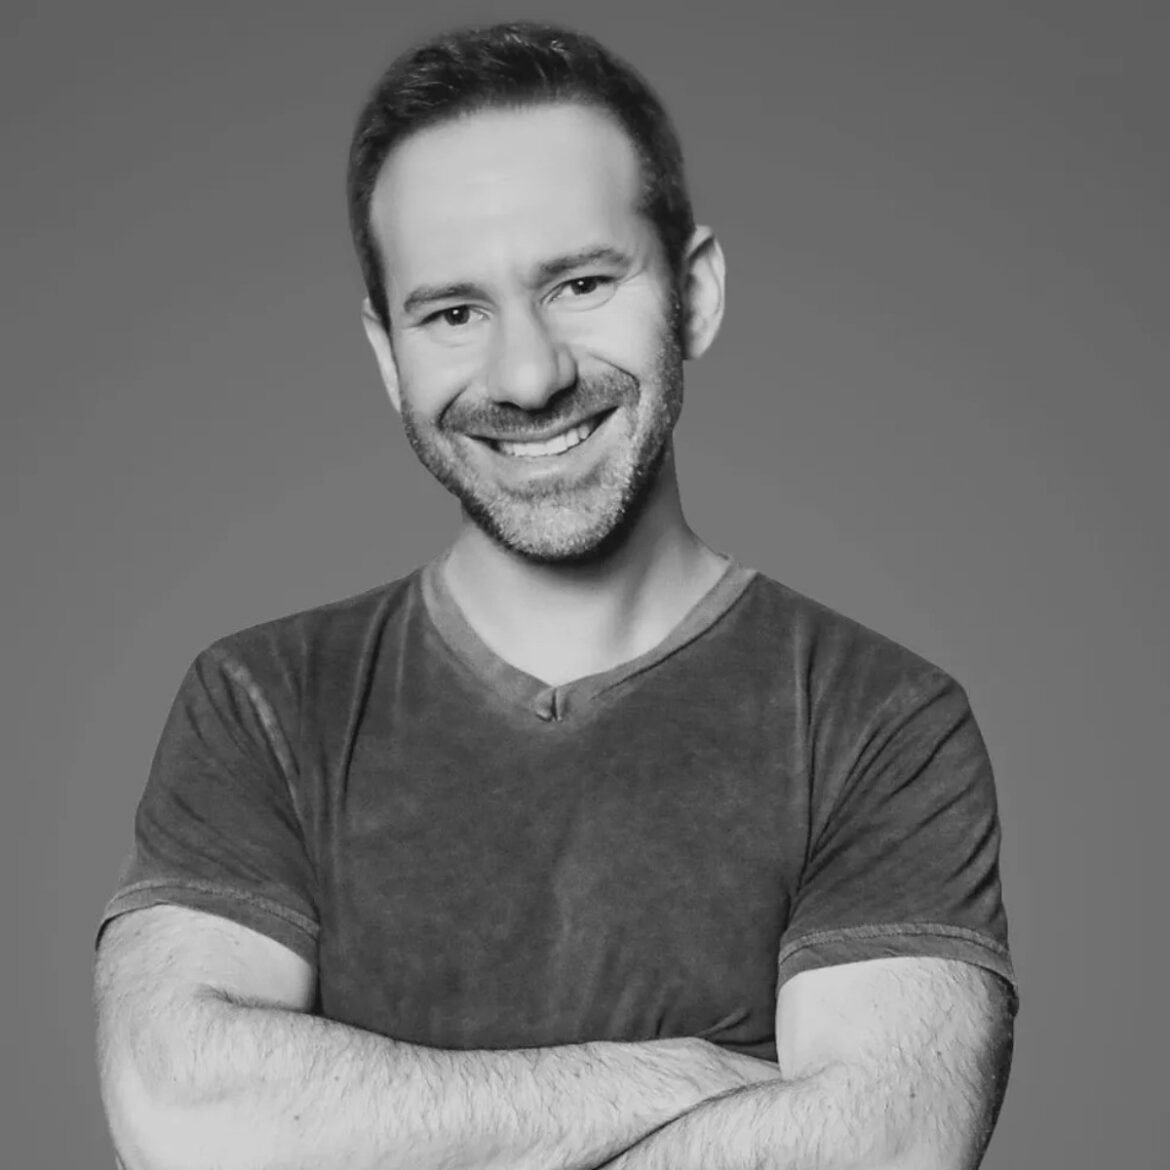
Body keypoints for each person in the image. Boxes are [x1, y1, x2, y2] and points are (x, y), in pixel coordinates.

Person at [93, 20, 1017, 1170]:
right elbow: (182, 1118)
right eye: (452, 312)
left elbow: (887, 1147)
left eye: (580, 283)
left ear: (694, 294)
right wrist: (679, 1077)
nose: (529, 376)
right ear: (387, 354)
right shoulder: (261, 705)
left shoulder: (882, 722)